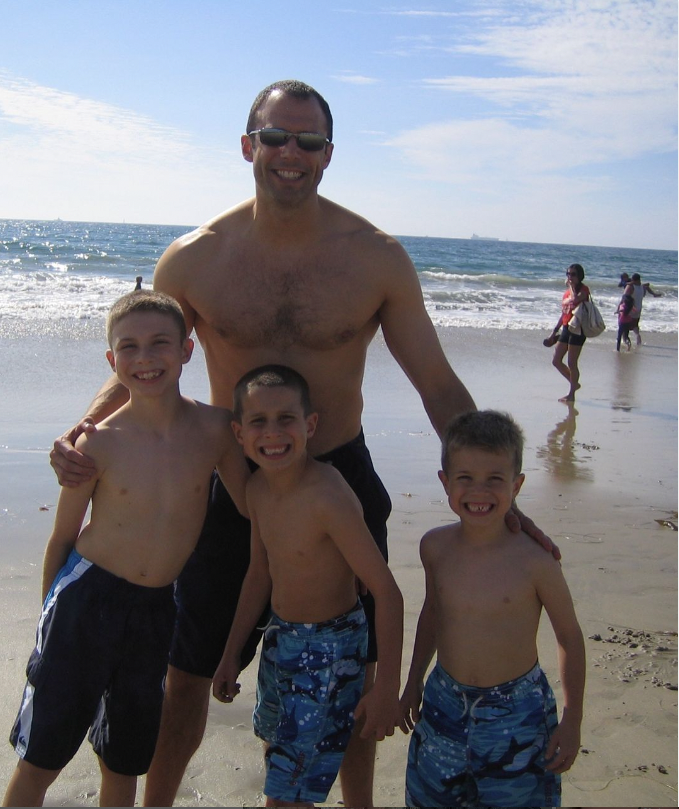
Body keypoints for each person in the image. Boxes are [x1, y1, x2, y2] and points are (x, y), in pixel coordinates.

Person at [49, 80, 555, 808]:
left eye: (308, 142)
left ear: (328, 155)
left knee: (352, 665)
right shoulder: (193, 259)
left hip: (337, 477)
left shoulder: (375, 257)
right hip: (228, 478)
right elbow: (144, 365)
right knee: (186, 669)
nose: (291, 154)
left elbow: (438, 387)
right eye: (276, 137)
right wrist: (82, 434)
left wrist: (499, 493)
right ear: (247, 144)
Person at [3, 291, 250, 807]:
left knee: (126, 758)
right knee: (42, 755)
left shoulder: (215, 431)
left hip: (158, 608)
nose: (145, 358)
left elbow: (253, 508)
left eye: (160, 343)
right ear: (113, 362)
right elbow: (63, 537)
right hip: (84, 602)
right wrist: (52, 615)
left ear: (187, 349)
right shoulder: (99, 442)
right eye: (129, 348)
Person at [212, 365, 403, 806]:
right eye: (258, 421)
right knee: (278, 756)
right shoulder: (257, 488)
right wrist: (231, 655)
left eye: (286, 419)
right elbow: (259, 574)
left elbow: (386, 591)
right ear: (240, 434)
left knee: (288, 792)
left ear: (309, 425)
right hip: (282, 641)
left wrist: (386, 688)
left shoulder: (327, 495)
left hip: (331, 648)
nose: (273, 433)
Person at [399, 410, 585, 808]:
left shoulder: (536, 561)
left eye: (494, 480)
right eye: (465, 478)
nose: (478, 491)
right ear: (445, 482)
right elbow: (433, 614)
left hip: (517, 710)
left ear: (516, 485)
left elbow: (569, 636)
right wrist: (412, 681)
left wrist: (572, 720)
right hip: (443, 702)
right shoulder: (435, 547)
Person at [544, 263, 590, 403]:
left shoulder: (584, 290)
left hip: (578, 328)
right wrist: (554, 331)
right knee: (556, 360)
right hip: (566, 327)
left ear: (580, 276)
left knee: (572, 362)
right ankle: (574, 383)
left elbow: (576, 300)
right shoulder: (566, 293)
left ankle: (571, 394)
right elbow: (564, 313)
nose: (570, 277)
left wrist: (571, 287)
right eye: (568, 274)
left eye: (573, 274)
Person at [624, 272, 662, 346]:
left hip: (630, 309)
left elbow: (625, 297)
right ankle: (638, 337)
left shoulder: (631, 287)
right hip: (638, 309)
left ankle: (626, 341)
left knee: (625, 326)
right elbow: (647, 287)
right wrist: (654, 294)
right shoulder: (642, 287)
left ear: (633, 280)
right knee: (635, 325)